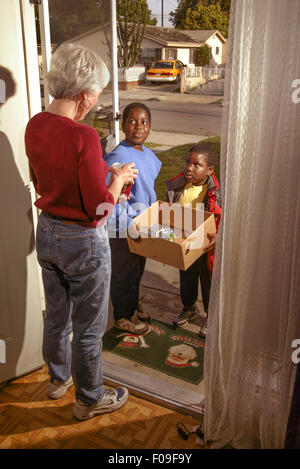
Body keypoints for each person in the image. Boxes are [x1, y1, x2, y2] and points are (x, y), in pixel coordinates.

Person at [25, 43, 138, 421]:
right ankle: (89, 399)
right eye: (99, 93)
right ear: (86, 96)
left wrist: (95, 179)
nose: (97, 101)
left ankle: (58, 381)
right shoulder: (85, 137)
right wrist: (119, 181)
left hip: (48, 232)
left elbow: (45, 178)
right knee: (88, 327)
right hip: (81, 240)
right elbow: (99, 211)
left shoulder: (35, 123)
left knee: (57, 315)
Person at [104, 102, 162, 335]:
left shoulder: (149, 156)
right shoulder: (119, 157)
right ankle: (122, 316)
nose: (138, 127)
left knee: (137, 270)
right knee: (124, 272)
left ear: (150, 126)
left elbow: (148, 190)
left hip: (143, 224)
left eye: (144, 122)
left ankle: (132, 305)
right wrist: (129, 226)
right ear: (123, 124)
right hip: (122, 227)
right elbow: (115, 196)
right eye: (132, 121)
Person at [165, 142, 222, 337]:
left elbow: (222, 218)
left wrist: (219, 234)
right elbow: (169, 212)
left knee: (207, 284)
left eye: (196, 164)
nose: (189, 167)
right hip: (184, 245)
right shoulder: (179, 187)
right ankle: (189, 308)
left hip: (206, 248)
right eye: (188, 162)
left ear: (209, 170)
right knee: (186, 280)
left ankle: (209, 315)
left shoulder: (216, 193)